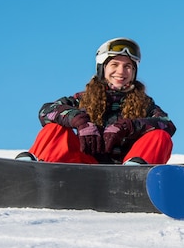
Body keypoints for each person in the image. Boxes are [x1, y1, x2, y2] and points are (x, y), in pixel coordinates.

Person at [18, 37, 175, 165]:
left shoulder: (145, 104)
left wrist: (128, 126)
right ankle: (32, 171)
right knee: (54, 128)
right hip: (84, 166)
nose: (121, 71)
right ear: (102, 69)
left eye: (128, 66)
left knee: (160, 135)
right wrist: (79, 121)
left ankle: (136, 172)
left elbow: (167, 124)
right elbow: (46, 111)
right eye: (114, 64)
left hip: (123, 171)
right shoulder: (83, 99)